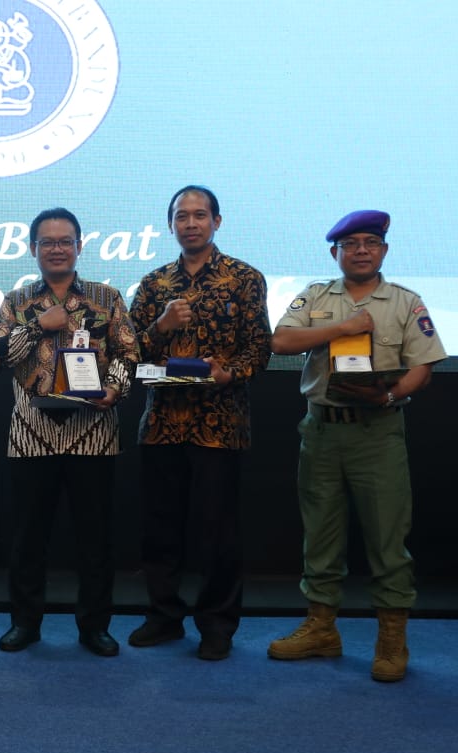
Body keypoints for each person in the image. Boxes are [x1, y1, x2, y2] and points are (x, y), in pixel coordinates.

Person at [267, 209, 446, 682]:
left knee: (387, 539)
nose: (361, 251)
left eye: (370, 243)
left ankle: (392, 637)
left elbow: (423, 365)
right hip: (322, 431)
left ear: (383, 250)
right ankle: (321, 628)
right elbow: (281, 341)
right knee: (321, 536)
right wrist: (341, 329)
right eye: (351, 245)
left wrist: (388, 395)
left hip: (377, 432)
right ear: (336, 253)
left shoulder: (405, 302)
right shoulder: (315, 296)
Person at [0, 207, 139, 657]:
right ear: (33, 248)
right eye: (48, 242)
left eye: (65, 241)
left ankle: (94, 626)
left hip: (93, 434)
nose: (57, 249)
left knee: (95, 539)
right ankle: (25, 623)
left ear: (79, 246)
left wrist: (115, 389)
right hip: (31, 434)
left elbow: (129, 353)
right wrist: (37, 326)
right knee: (28, 538)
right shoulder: (17, 301)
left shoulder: (107, 298)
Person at [126, 186, 271, 661]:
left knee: (218, 533)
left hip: (219, 424)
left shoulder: (244, 278)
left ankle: (217, 625)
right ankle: (163, 617)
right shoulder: (153, 284)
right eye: (181, 216)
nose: (191, 223)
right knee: (159, 529)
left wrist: (232, 372)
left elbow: (260, 347)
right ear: (170, 224)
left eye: (200, 215)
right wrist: (161, 326)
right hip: (162, 424)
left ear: (216, 221)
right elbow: (129, 353)